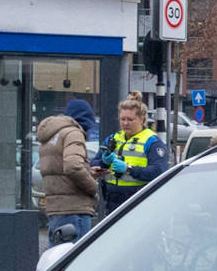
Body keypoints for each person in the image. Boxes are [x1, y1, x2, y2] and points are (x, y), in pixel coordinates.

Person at [37, 99, 100, 240]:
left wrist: (88, 172)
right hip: (75, 208)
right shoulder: (73, 133)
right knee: (78, 257)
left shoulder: (52, 135)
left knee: (59, 254)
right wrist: (93, 187)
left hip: (56, 208)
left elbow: (59, 168)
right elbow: (73, 166)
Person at [98, 94, 170, 212]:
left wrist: (129, 169)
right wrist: (103, 162)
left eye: (130, 120)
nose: (125, 123)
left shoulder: (152, 141)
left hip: (140, 202)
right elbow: (94, 163)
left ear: (142, 120)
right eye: (123, 119)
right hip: (112, 202)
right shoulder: (113, 138)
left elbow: (159, 171)